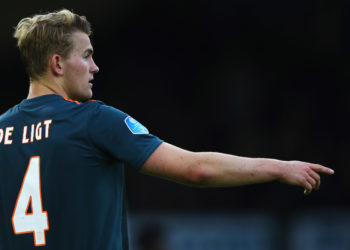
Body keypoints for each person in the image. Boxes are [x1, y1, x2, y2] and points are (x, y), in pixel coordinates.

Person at [0, 9, 334, 250]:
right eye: (86, 56)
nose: (95, 67)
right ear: (57, 63)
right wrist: (279, 167)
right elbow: (195, 169)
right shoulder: (93, 119)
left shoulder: (2, 129)